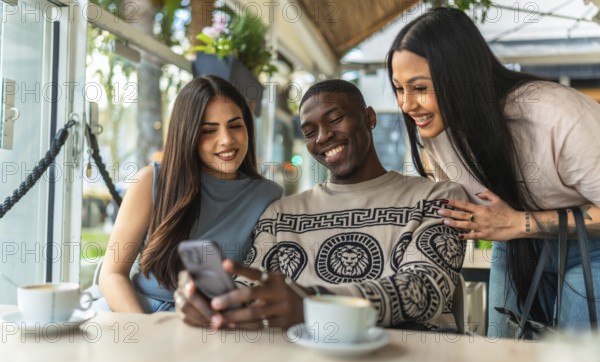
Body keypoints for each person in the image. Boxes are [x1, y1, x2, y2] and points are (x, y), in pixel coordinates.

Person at [176, 79, 469, 331]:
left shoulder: (438, 198)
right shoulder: (280, 214)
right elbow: (252, 290)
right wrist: (211, 301)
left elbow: (423, 290)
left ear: (369, 117)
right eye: (309, 132)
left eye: (335, 119)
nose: (323, 136)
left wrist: (312, 304)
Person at [386, 7, 600, 337]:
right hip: (516, 247)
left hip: (591, 248)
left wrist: (519, 222)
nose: (406, 105)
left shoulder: (557, 115)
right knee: (503, 360)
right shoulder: (436, 130)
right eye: (399, 89)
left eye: (419, 88)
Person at [98, 75, 282, 313]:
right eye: (209, 131)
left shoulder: (268, 196)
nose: (226, 140)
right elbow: (112, 274)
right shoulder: (151, 181)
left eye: (235, 125)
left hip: (215, 320)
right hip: (136, 312)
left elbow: (264, 282)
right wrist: (142, 329)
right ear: (188, 136)